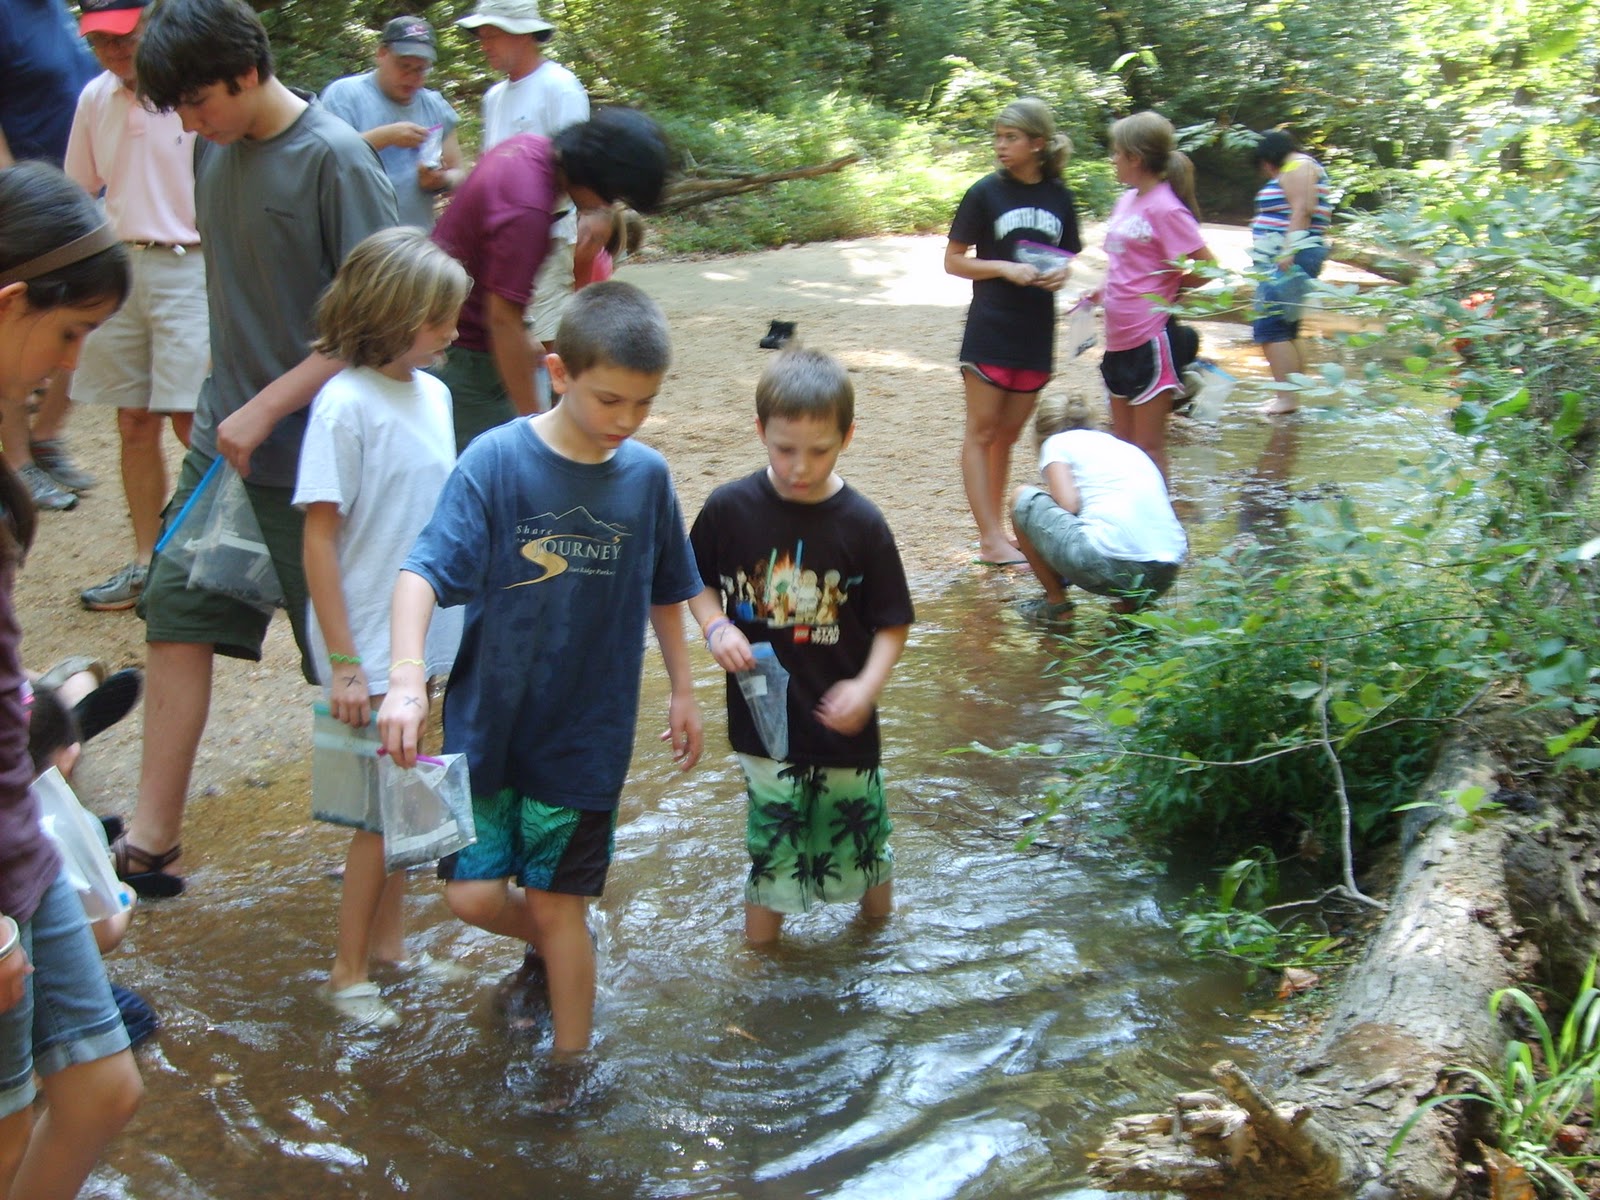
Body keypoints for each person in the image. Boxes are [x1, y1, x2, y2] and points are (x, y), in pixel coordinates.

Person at [114, 0, 398, 898]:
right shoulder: (214, 147)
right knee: (176, 613)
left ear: (245, 73)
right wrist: (231, 408)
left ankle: (391, 858)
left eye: (198, 102)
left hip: (317, 457)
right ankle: (152, 842)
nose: (191, 125)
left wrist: (268, 406)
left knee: (349, 664)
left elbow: (381, 321)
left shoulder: (335, 160)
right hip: (224, 440)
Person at [378, 280, 704, 1056]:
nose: (625, 422)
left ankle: (571, 1067)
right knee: (470, 893)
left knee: (557, 903)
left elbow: (668, 588)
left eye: (644, 405)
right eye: (609, 400)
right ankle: (566, 952)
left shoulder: (646, 478)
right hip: (490, 724)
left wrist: (686, 690)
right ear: (558, 372)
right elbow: (420, 572)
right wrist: (402, 677)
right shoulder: (496, 461)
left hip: (586, 737)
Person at [0, 159, 143, 1200]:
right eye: (69, 333)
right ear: (14, 304)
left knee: (101, 1088)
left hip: (16, 819)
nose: (72, 365)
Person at [294, 228, 469, 1030]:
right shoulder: (343, 403)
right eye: (442, 319)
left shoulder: (434, 393)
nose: (455, 331)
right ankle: (346, 968)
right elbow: (319, 540)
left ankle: (392, 948)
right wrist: (342, 663)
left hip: (420, 635)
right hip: (362, 638)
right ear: (397, 317)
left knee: (405, 799)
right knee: (373, 817)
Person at [688, 347, 914, 945]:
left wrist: (866, 688)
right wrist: (715, 627)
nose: (799, 468)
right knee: (773, 849)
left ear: (848, 437)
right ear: (760, 430)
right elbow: (696, 581)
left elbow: (893, 623)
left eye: (820, 451)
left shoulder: (862, 525)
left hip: (846, 728)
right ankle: (758, 968)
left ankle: (876, 947)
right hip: (764, 726)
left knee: (863, 844)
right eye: (784, 449)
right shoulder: (727, 510)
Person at [63, 0, 209, 613]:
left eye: (123, 37)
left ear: (150, 24)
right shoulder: (96, 98)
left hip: (193, 264)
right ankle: (149, 562)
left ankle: (209, 559)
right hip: (123, 265)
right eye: (100, 41)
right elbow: (78, 187)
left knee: (191, 422)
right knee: (134, 422)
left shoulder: (194, 91)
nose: (114, 52)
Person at [429, 107, 670, 450]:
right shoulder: (528, 207)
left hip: (459, 333)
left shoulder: (529, 148)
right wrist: (537, 430)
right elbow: (501, 320)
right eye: (612, 197)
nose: (607, 207)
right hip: (464, 352)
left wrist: (523, 333)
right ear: (597, 176)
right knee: (506, 465)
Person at [945, 98, 1081, 567]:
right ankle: (989, 539)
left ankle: (999, 534)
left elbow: (1067, 257)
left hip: (1036, 334)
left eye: (1011, 138)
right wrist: (1003, 268)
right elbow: (954, 260)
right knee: (980, 433)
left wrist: (1059, 275)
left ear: (1037, 144)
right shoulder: (984, 193)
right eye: (998, 137)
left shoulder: (1061, 195)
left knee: (1006, 436)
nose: (1001, 146)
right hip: (991, 329)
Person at [0, 0, 103, 514]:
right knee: (27, 326)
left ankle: (46, 438)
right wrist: (14, 194)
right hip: (32, 204)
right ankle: (17, 461)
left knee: (81, 321)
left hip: (79, 196)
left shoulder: (62, 10)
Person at [458, 0, 592, 359]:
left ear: (524, 35)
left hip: (546, 237)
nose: (484, 44)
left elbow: (578, 172)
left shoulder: (560, 87)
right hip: (497, 242)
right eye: (481, 36)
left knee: (549, 347)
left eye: (493, 34)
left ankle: (557, 413)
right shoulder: (494, 97)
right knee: (504, 338)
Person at [1094, 110, 1215, 484]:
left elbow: (1207, 268)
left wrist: (1168, 291)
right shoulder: (1126, 201)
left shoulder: (1166, 207)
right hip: (1117, 338)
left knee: (1148, 446)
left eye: (1117, 152)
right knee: (1122, 443)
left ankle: (1160, 528)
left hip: (1150, 338)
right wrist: (1100, 293)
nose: (1112, 159)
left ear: (1136, 157)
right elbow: (1126, 264)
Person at [1011, 392, 1186, 621]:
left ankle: (1057, 605)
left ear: (1041, 434)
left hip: (1111, 563)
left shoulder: (1056, 443)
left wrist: (1033, 538)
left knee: (1021, 498)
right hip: (1167, 569)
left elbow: (1068, 505)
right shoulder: (1124, 447)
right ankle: (1130, 609)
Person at [319, 16, 465, 232]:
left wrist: (441, 180)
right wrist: (385, 137)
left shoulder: (434, 105)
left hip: (414, 242)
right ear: (381, 54)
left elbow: (460, 173)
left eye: (420, 69)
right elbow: (323, 160)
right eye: (404, 65)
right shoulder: (344, 95)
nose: (412, 76)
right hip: (358, 241)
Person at [1251, 130, 1333, 413]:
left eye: (1263, 163)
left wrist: (1287, 251)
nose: (1265, 170)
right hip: (1295, 253)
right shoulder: (1302, 165)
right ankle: (1289, 397)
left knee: (1271, 327)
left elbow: (1303, 209)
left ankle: (1286, 399)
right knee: (1287, 326)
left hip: (1291, 255)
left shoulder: (1297, 165)